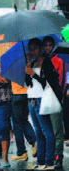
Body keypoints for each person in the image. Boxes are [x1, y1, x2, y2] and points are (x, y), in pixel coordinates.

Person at [25, 38, 62, 170]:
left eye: (34, 48)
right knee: (38, 132)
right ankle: (40, 161)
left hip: (42, 99)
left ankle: (49, 161)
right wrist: (28, 68)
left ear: (40, 48)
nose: (32, 51)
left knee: (47, 131)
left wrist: (33, 74)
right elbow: (28, 83)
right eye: (30, 49)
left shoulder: (46, 62)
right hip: (32, 99)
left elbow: (46, 82)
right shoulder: (33, 62)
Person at [43, 36, 67, 169]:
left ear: (53, 46)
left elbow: (62, 82)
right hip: (44, 100)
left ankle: (59, 157)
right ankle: (50, 156)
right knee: (47, 130)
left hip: (55, 99)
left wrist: (60, 99)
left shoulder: (59, 61)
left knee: (57, 130)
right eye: (45, 45)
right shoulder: (41, 61)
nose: (47, 48)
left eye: (49, 45)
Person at [10, 82, 37, 161]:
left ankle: (21, 152)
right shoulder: (25, 68)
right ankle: (34, 142)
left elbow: (5, 80)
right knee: (23, 120)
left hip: (16, 93)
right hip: (27, 93)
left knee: (17, 124)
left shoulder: (12, 69)